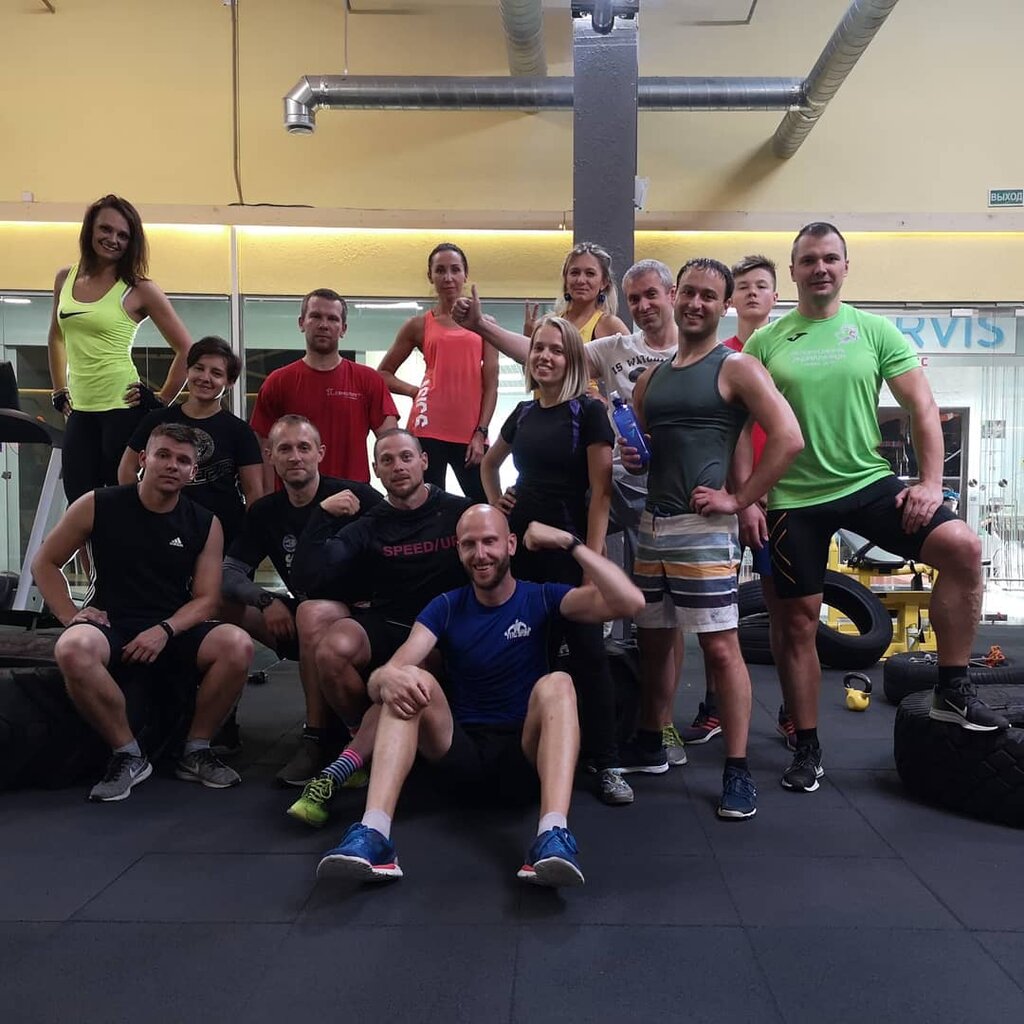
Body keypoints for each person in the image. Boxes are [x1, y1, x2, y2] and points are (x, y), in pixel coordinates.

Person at [742, 222, 1007, 794]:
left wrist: (930, 483)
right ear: (794, 271)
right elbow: (743, 429)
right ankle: (807, 745)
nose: (820, 268)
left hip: (866, 481)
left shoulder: (873, 330)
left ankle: (952, 689)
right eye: (808, 260)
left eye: (830, 258)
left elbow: (922, 405)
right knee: (797, 623)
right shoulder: (766, 342)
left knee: (962, 547)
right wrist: (746, 499)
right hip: (793, 497)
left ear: (845, 266)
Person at [314, 509, 646, 887]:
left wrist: (569, 543)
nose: (480, 553)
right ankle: (374, 835)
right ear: (459, 551)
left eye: (490, 541)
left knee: (558, 683)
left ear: (511, 545)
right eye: (469, 544)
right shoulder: (446, 605)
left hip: (524, 759)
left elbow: (630, 602)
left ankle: (551, 836)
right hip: (461, 756)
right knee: (407, 679)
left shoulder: (541, 597)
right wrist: (385, 678)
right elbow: (386, 677)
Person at [620, 258, 803, 819]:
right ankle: (652, 740)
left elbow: (789, 438)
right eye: (689, 293)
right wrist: (636, 454)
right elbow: (646, 445)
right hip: (653, 525)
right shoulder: (651, 379)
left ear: (724, 306)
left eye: (708, 296)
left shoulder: (737, 367)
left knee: (720, 648)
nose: (696, 304)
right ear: (675, 296)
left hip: (703, 531)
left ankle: (737, 769)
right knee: (653, 641)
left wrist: (739, 499)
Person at [32, 423, 253, 802]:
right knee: (72, 648)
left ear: (192, 472)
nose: (172, 465)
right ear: (143, 458)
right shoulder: (97, 503)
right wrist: (70, 615)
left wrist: (165, 630)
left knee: (238, 644)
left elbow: (206, 600)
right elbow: (45, 563)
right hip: (111, 622)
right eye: (163, 455)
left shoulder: (205, 523)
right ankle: (128, 754)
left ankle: (196, 749)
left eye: (182, 460)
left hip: (172, 626)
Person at [480, 316, 633, 807]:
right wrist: (497, 506)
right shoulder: (523, 412)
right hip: (521, 549)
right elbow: (489, 464)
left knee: (587, 653)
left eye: (556, 350)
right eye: (538, 349)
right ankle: (532, 752)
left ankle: (607, 762)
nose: (545, 356)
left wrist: (590, 561)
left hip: (567, 548)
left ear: (572, 359)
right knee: (527, 649)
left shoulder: (587, 412)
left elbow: (601, 494)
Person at [289, 429, 471, 794]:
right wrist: (321, 515)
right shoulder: (371, 523)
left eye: (406, 457)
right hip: (389, 622)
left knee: (413, 669)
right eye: (387, 460)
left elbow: (498, 550)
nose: (398, 466)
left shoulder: (458, 512)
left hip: (441, 633)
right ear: (376, 470)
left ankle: (358, 755)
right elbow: (307, 577)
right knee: (331, 650)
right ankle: (360, 735)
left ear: (423, 461)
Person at [221, 414, 383, 785]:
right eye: (285, 449)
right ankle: (217, 724)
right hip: (303, 615)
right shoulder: (265, 511)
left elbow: (397, 542)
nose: (295, 456)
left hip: (358, 616)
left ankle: (316, 736)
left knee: (310, 611)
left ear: (319, 453)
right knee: (220, 604)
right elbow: (229, 573)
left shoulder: (356, 497)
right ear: (270, 456)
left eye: (303, 447)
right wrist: (265, 600)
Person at [684, 254, 788, 748]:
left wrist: (761, 495)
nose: (751, 293)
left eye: (760, 285)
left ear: (774, 297)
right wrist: (739, 497)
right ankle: (714, 707)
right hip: (724, 499)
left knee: (784, 613)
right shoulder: (715, 357)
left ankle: (792, 710)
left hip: (781, 501)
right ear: (730, 301)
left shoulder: (786, 354)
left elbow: (791, 432)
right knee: (716, 618)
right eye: (743, 285)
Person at [47, 194, 193, 504]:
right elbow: (57, 337)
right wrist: (59, 390)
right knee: (78, 501)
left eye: (123, 235)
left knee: (122, 501)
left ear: (132, 242)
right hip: (80, 409)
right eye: (106, 229)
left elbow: (187, 350)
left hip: (122, 407)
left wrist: (161, 401)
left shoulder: (139, 288)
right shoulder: (65, 278)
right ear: (90, 229)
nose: (113, 239)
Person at [376, 243, 498, 501]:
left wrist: (481, 432)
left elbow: (491, 384)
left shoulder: (485, 324)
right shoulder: (418, 324)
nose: (448, 277)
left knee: (485, 503)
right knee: (427, 506)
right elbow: (383, 374)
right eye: (440, 270)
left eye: (455, 269)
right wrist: (414, 391)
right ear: (430, 276)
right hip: (427, 428)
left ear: (465, 274)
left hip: (469, 433)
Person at [118, 335, 264, 547]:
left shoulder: (240, 431)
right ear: (187, 371)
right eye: (199, 368)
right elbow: (127, 470)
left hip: (223, 537)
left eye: (216, 373)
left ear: (230, 383)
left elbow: (254, 492)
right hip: (161, 531)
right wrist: (141, 512)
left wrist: (246, 545)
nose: (205, 377)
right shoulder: (156, 420)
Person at [249, 288, 398, 489]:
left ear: (343, 328)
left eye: (332, 319)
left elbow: (392, 444)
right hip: (294, 500)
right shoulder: (277, 382)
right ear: (301, 323)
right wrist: (268, 500)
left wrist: (395, 499)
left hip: (353, 499)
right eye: (316, 316)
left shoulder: (369, 380)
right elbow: (264, 448)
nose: (324, 325)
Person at [525, 241, 630, 343]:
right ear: (566, 279)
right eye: (574, 273)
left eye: (590, 273)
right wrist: (528, 339)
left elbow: (635, 354)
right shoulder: (548, 323)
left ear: (604, 282)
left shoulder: (610, 325)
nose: (580, 280)